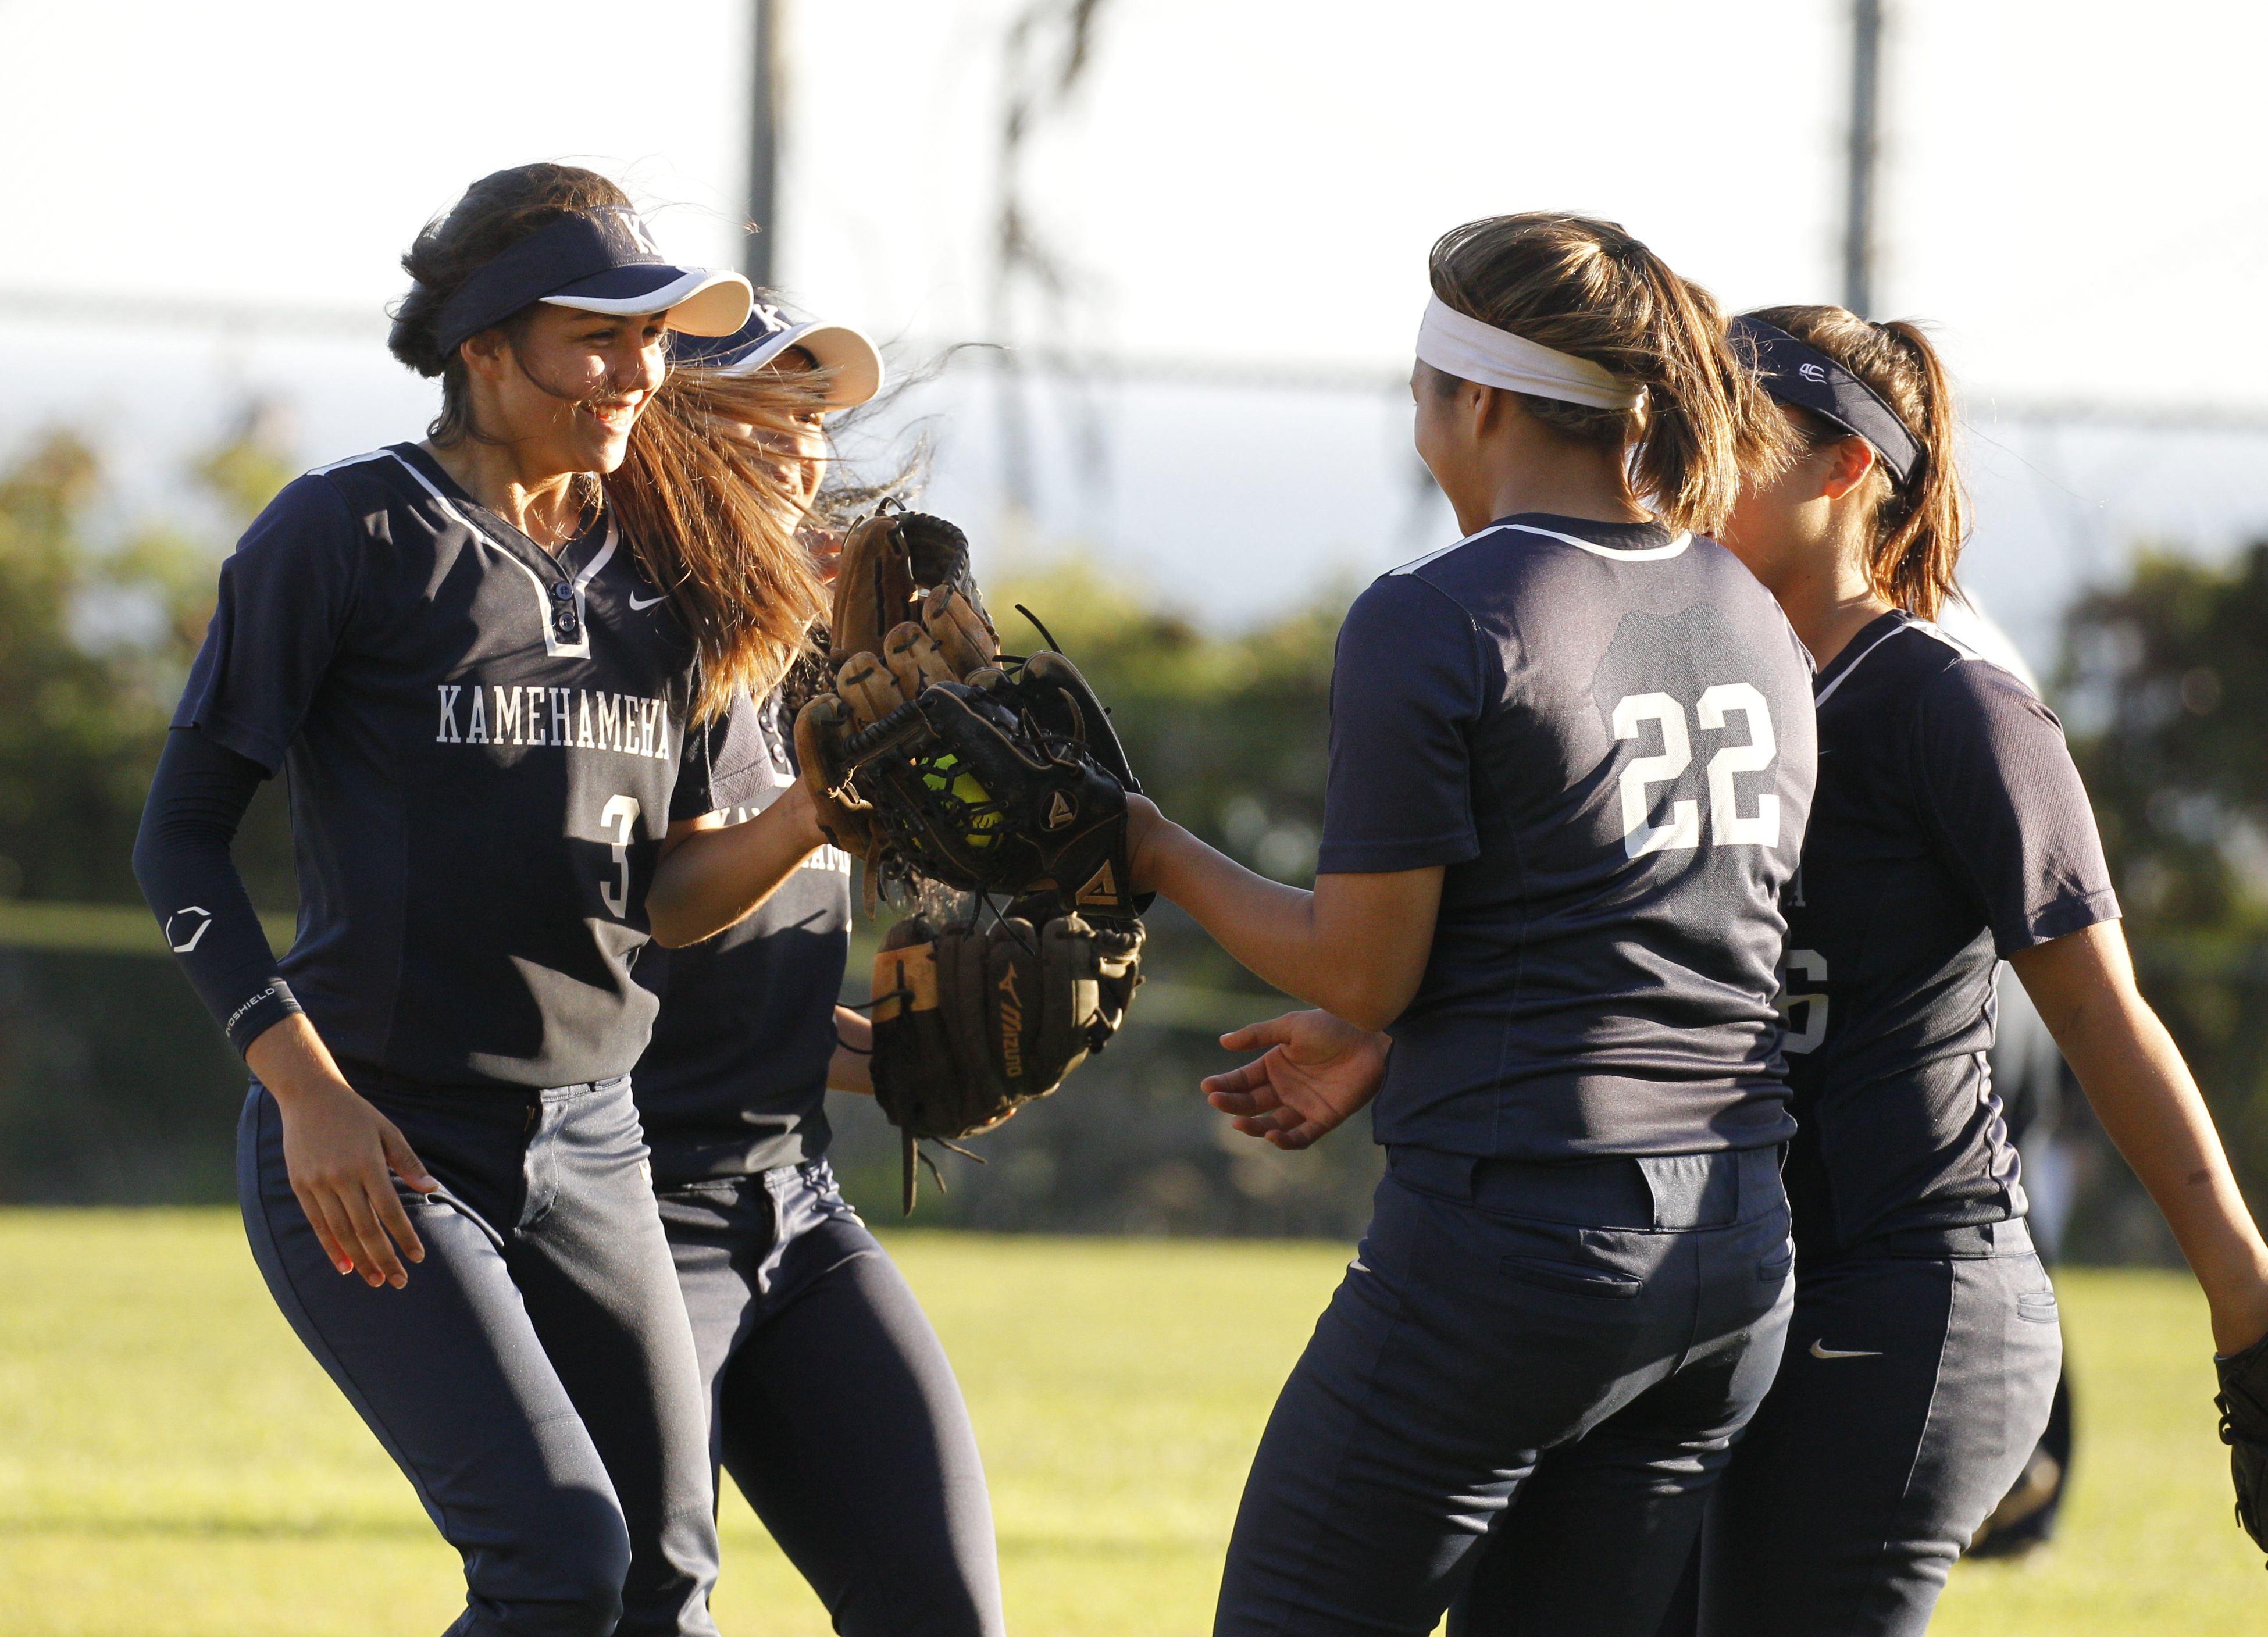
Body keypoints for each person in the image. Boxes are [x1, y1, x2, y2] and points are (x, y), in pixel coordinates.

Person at [1220, 305, 2268, 1637]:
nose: (1685, 450)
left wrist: (2247, 1304)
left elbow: (2106, 1018)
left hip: (1903, 1286)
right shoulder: (1693, 659)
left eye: (1739, 428)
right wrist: (1378, 1034)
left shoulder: (1954, 703)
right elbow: (1605, 949)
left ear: (1846, 472)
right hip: (1730, 1290)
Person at [132, 163, 841, 1637]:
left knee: (665, 1589)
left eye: (650, 340)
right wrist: (305, 1094)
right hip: (382, 1132)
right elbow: (181, 843)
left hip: (595, 1140)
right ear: (483, 351)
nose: (639, 373)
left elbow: (674, 901)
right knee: (557, 1566)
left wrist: (815, 810)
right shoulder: (348, 536)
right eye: (598, 338)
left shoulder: (668, 573)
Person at [1122, 212, 1816, 1637]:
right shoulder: (1742, 598)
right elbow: (1632, 921)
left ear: (1480, 399)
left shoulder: (1439, 613)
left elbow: (1360, 966)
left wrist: (1148, 846)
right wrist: (1403, 1035)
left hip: (1523, 1241)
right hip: (1735, 1246)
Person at [623, 306, 1007, 1636]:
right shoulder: (626, 646)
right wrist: (810, 810)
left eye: (814, 420)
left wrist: (899, 1048)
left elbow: (738, 982)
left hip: (793, 1204)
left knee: (942, 1615)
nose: (803, 449)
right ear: (666, 434)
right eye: (765, 418)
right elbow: (661, 919)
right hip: (625, 1216)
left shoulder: (805, 651)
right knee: (626, 1615)